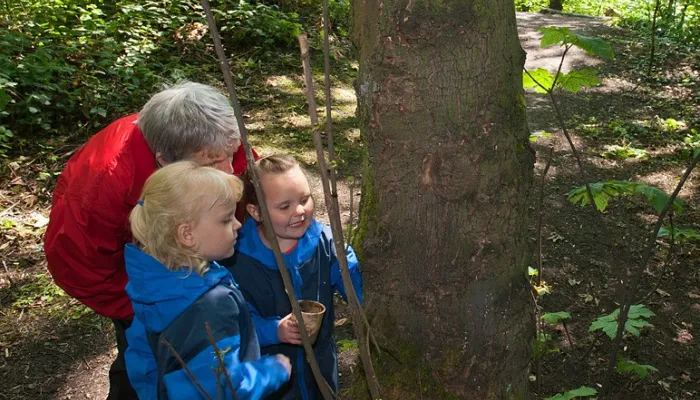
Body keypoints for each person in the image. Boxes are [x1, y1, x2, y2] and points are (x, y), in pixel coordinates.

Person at [43, 81, 255, 399]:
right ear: (166, 161)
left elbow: (244, 190)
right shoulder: (103, 184)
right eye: (213, 164)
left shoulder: (213, 141)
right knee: (146, 365)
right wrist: (148, 309)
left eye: (231, 154)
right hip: (143, 287)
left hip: (201, 260)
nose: (229, 170)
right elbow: (79, 264)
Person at [124, 161, 291, 399]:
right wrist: (272, 371)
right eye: (225, 220)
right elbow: (227, 389)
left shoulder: (155, 283)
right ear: (187, 235)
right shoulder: (211, 305)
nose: (238, 224)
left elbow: (142, 358)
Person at [225, 154, 363, 400]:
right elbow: (233, 321)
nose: (299, 211)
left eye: (304, 199)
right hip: (272, 375)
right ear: (255, 212)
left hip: (320, 367)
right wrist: (274, 330)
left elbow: (351, 278)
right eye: (284, 206)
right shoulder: (238, 259)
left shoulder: (324, 242)